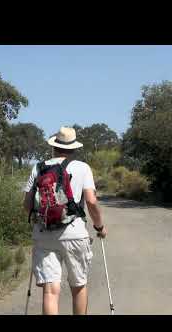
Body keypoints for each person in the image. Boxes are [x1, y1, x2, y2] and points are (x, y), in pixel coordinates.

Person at [23, 126, 107, 315]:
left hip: (44, 233)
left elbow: (27, 204)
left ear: (54, 147)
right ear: (74, 148)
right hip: (74, 233)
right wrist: (99, 226)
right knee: (78, 286)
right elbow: (92, 202)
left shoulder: (38, 167)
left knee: (51, 291)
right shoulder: (83, 168)